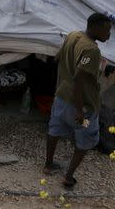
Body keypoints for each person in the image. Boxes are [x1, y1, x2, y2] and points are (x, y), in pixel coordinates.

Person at [44, 13, 111, 189]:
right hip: (83, 104)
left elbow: (58, 58)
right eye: (107, 30)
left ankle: (48, 164)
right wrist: (80, 110)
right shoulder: (91, 50)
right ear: (96, 27)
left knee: (55, 129)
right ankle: (68, 177)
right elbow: (79, 79)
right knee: (85, 140)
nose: (109, 34)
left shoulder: (73, 35)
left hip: (62, 96)